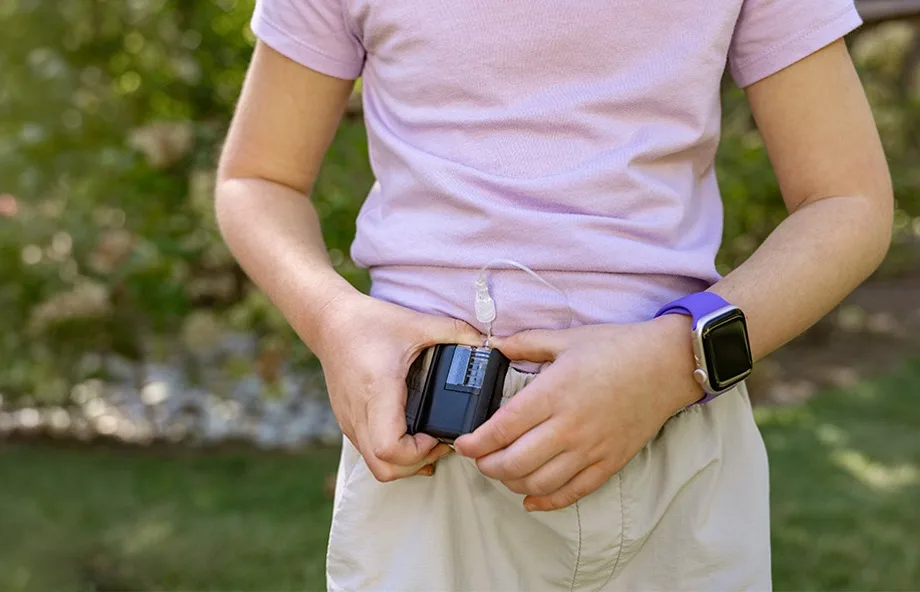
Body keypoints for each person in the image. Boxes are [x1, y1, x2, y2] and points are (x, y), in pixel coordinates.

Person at [215, 0, 892, 589]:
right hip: (428, 447)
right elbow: (258, 178)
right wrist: (336, 322)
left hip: (671, 431)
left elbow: (847, 201)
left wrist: (673, 359)